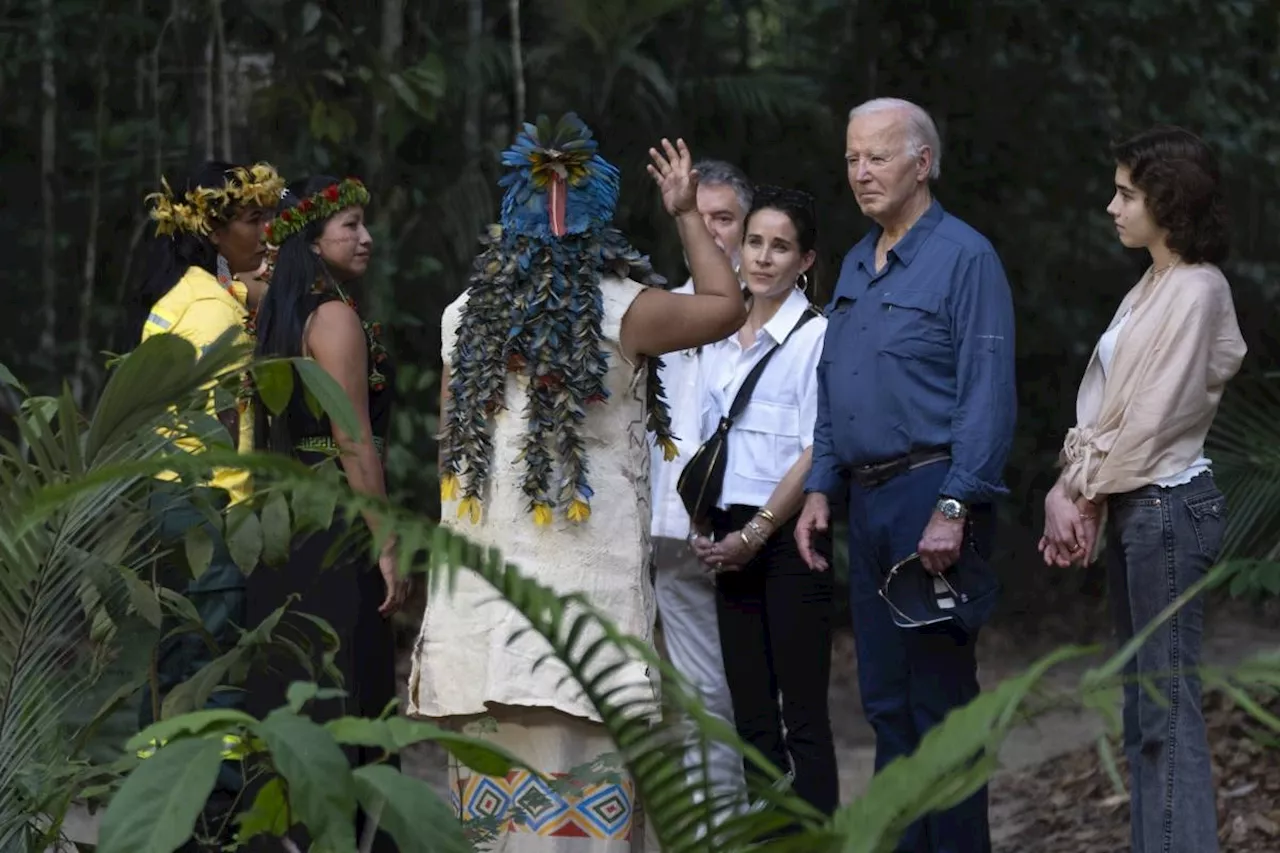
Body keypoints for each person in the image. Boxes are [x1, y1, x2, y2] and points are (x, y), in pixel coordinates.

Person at [408, 115, 746, 852]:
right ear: (598, 224)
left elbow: (450, 458)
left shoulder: (462, 318)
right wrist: (688, 213)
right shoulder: (623, 310)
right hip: (587, 615)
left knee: (499, 824)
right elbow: (727, 306)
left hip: (487, 609)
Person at [795, 97, 1017, 853]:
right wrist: (821, 484)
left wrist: (956, 503)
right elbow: (836, 387)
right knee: (886, 703)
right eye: (852, 157)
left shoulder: (965, 257)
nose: (861, 172)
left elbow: (987, 392)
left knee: (941, 707)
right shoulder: (857, 261)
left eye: (877, 156)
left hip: (934, 493)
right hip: (869, 499)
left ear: (922, 163)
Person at [1039, 126, 1245, 853]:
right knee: (1145, 708)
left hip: (1166, 505)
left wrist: (1077, 489)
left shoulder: (1196, 289)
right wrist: (1072, 488)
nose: (1111, 206)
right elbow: (1111, 417)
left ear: (1168, 200)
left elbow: (1152, 425)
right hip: (1139, 505)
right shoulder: (1153, 282)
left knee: (1168, 708)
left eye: (1126, 193)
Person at [242, 175, 406, 851]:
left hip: (279, 520)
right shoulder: (333, 318)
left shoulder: (276, 314)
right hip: (335, 519)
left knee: (292, 687)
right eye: (350, 226)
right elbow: (353, 437)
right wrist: (388, 541)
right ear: (313, 241)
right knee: (348, 685)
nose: (365, 238)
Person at [133, 159, 282, 792]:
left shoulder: (182, 300)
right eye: (253, 219)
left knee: (174, 658)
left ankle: (152, 787)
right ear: (213, 233)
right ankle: (206, 801)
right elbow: (222, 419)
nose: (267, 229)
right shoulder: (214, 316)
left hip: (168, 496)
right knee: (209, 660)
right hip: (211, 503)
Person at [692, 185, 836, 819]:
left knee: (801, 710)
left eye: (781, 247)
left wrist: (756, 532)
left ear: (806, 261)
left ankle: (815, 835)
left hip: (788, 533)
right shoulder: (717, 329)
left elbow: (815, 449)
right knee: (749, 709)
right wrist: (709, 522)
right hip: (727, 533)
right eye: (755, 242)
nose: (763, 258)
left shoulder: (816, 337)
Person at [649, 159, 753, 816]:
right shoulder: (660, 310)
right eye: (700, 216)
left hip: (747, 529)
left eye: (725, 219)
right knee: (689, 698)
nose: (713, 233)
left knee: (740, 694)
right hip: (665, 533)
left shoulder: (769, 313)